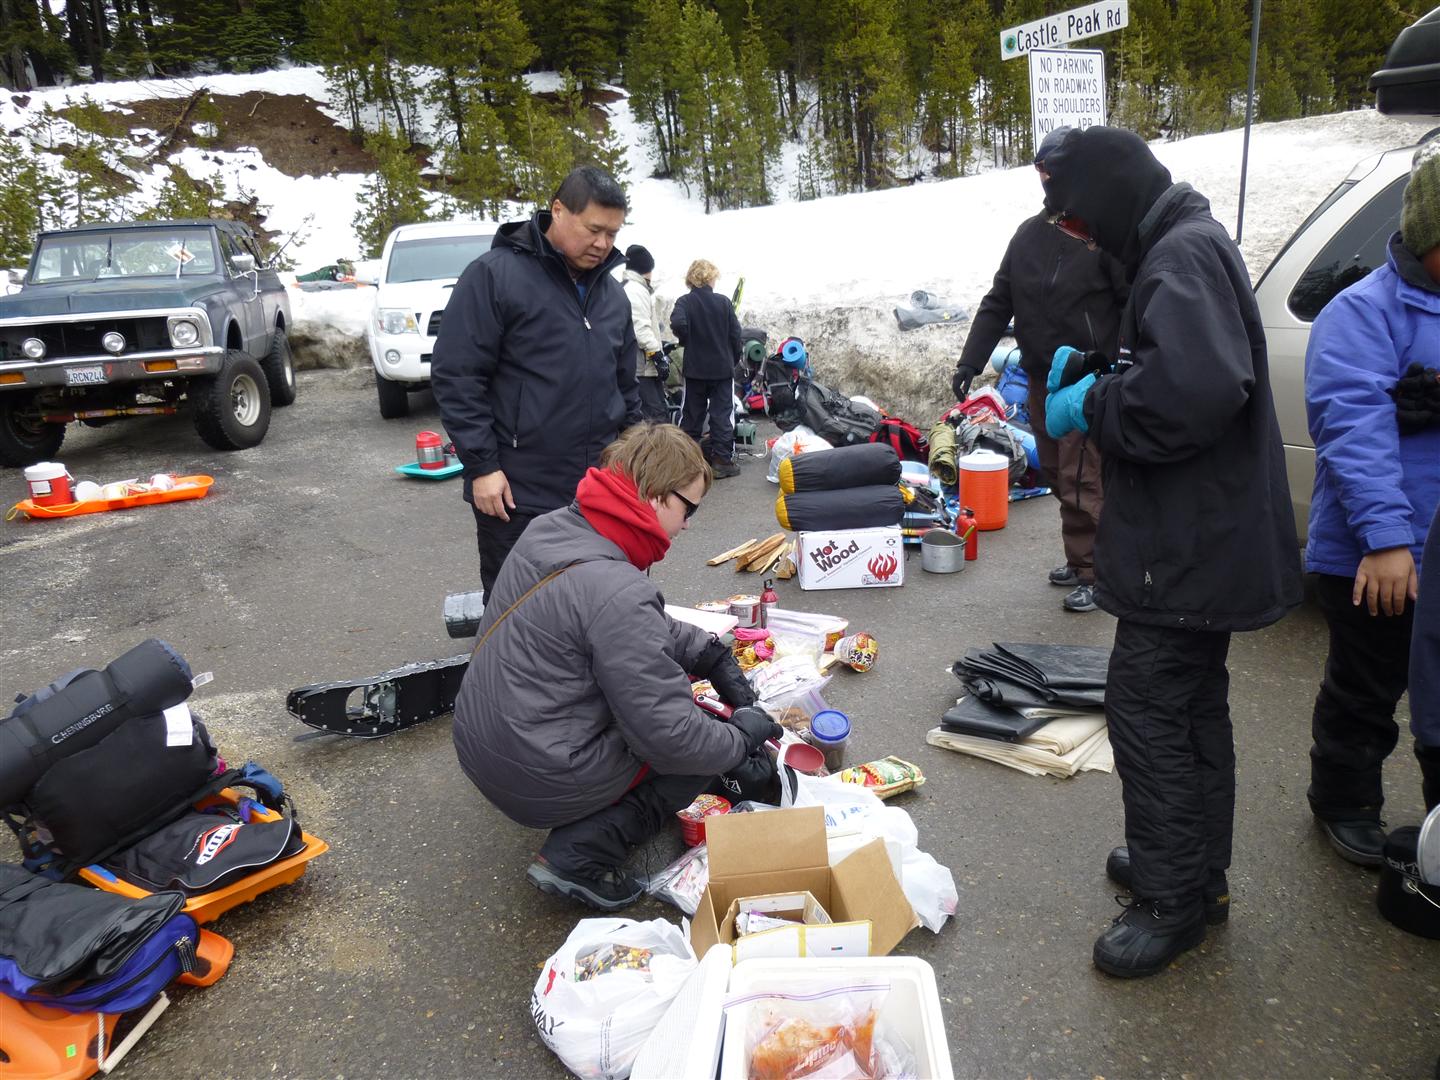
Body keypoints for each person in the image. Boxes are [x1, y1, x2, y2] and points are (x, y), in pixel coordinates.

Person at [1040, 126, 1304, 978]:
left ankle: (1170, 902)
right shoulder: (1178, 244)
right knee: (1190, 709)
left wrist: (1095, 404)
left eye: (1080, 220)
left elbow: (1189, 395)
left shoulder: (1181, 254)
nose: (1082, 237)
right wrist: (1107, 365)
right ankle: (1195, 873)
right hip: (1199, 537)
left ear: (1112, 196)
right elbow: (1172, 362)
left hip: (1187, 544)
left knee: (1148, 710)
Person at [451, 423, 781, 910]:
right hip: (534, 773)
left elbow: (618, 621)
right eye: (688, 509)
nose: (688, 525)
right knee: (695, 746)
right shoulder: (619, 588)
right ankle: (579, 856)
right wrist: (740, 738)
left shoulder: (553, 528)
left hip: (484, 744)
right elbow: (674, 739)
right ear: (655, 496)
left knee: (676, 719)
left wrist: (708, 652)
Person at [1306, 140, 1440, 861]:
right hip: (1378, 550)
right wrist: (1387, 541)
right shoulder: (1362, 313)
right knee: (1366, 688)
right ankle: (1344, 799)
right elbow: (1352, 430)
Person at [430, 166, 643, 598]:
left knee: (600, 605)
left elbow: (625, 389)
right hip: (517, 493)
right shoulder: (494, 276)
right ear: (558, 210)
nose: (603, 244)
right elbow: (458, 376)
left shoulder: (613, 296)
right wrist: (482, 467)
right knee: (519, 607)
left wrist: (640, 461)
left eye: (613, 234)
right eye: (594, 230)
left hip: (598, 490)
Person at [951, 126, 1128, 614]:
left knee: (1083, 474)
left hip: (1086, 378)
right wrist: (970, 360)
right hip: (1038, 376)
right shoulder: (1029, 235)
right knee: (1055, 470)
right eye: (1041, 172)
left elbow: (1131, 302)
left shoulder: (1101, 236)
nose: (1046, 181)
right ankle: (1079, 557)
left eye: (1053, 171)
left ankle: (1098, 573)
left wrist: (1122, 362)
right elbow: (998, 299)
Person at [670, 258, 742, 479]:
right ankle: (722, 460)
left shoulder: (684, 302)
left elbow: (678, 323)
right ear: (711, 278)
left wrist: (687, 339)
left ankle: (688, 462)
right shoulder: (723, 303)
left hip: (695, 369)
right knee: (722, 415)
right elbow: (736, 335)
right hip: (722, 369)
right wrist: (733, 358)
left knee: (691, 415)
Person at [621, 244, 672, 423]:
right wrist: (657, 355)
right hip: (640, 367)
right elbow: (640, 328)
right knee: (656, 417)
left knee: (645, 414)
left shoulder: (628, 287)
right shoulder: (636, 290)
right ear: (647, 268)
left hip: (636, 365)